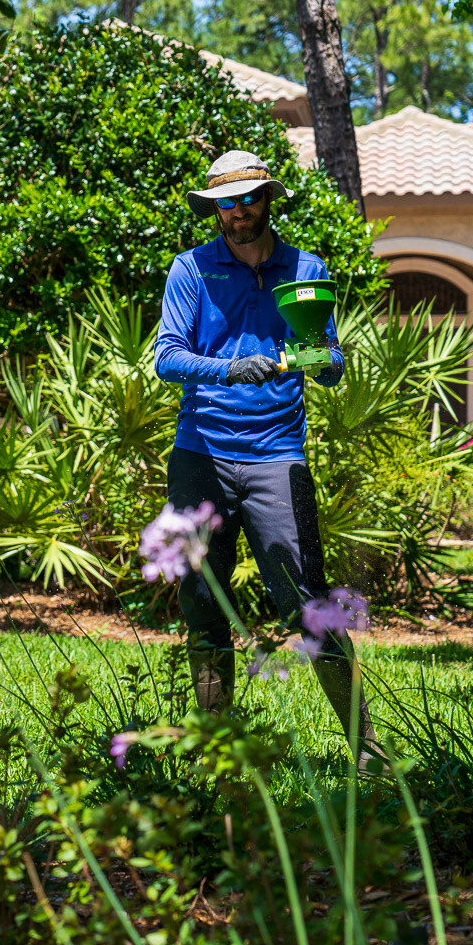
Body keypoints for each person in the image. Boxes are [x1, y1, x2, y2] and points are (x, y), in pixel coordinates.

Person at [154, 149, 376, 754]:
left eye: (249, 198)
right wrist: (229, 369)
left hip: (278, 454)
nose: (239, 210)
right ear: (213, 209)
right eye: (227, 202)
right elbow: (167, 357)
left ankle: (366, 749)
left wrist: (324, 357)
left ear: (268, 199)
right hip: (200, 452)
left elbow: (327, 362)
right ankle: (214, 744)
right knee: (202, 596)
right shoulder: (192, 270)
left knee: (306, 603)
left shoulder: (306, 268)